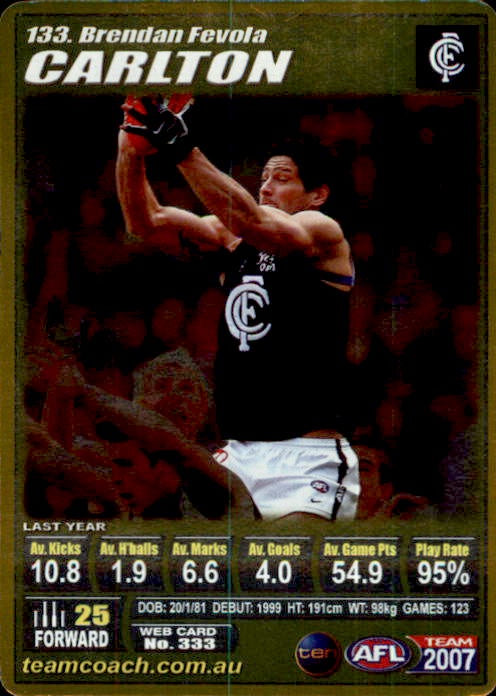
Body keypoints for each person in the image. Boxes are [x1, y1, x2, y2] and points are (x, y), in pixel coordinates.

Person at [116, 95, 360, 521]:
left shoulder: (323, 231)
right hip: (235, 455)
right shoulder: (231, 235)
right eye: (263, 177)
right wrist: (130, 147)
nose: (266, 187)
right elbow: (146, 222)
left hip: (306, 459)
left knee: (286, 561)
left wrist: (181, 147)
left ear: (317, 194)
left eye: (281, 178)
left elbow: (257, 223)